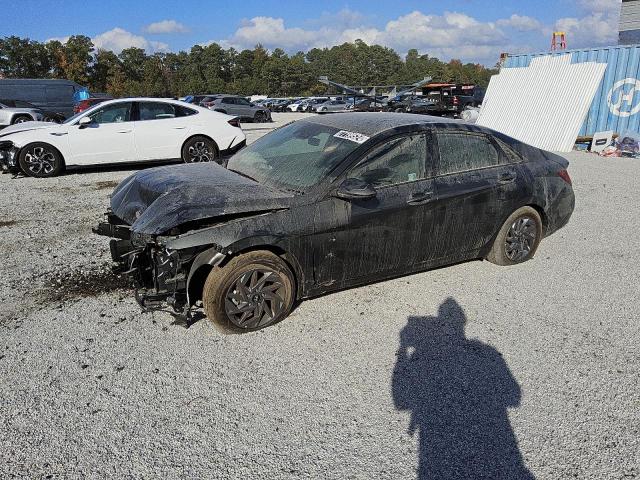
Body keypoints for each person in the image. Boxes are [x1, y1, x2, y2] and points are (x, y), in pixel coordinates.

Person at [392, 298, 535, 479]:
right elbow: (514, 396)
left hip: (433, 445)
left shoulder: (419, 355)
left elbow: (401, 400)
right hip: (496, 441)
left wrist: (403, 349)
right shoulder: (489, 353)